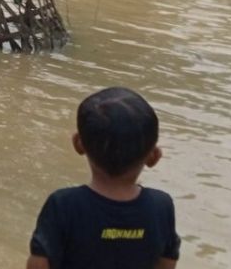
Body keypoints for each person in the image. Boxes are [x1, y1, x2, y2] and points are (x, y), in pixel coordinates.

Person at [27, 87, 180, 269]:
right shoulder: (161, 206)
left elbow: (38, 264)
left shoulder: (64, 205)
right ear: (154, 156)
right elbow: (167, 263)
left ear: (78, 144)